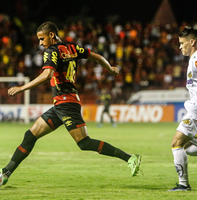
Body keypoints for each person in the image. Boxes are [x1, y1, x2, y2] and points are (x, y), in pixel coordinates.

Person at [0, 21, 141, 187]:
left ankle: (129, 158)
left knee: (84, 142)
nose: (40, 43)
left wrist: (21, 88)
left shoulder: (51, 51)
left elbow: (47, 75)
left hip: (66, 103)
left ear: (51, 35)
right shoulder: (72, 48)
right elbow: (97, 57)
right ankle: (5, 173)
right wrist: (111, 69)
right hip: (61, 104)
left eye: (42, 38)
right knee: (30, 135)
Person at [170, 26, 197, 191]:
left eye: (182, 43)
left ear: (192, 42)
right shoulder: (194, 58)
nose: (180, 46)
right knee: (188, 147)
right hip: (196, 109)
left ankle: (183, 185)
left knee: (177, 143)